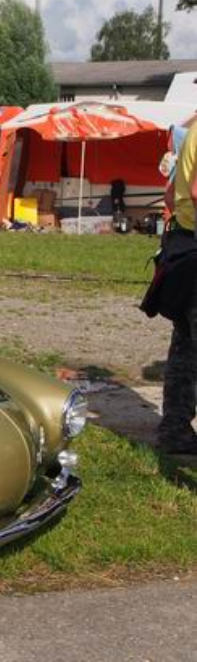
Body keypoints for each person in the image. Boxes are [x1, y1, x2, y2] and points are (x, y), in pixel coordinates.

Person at [159, 117, 197, 455]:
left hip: (185, 246)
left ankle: (175, 431)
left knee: (184, 349)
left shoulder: (192, 132)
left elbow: (171, 194)